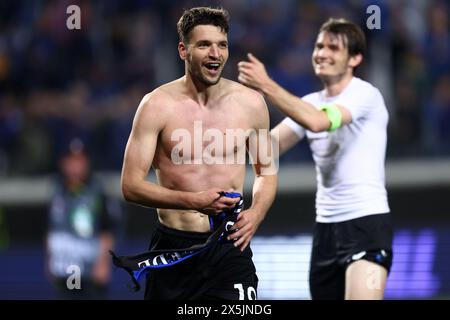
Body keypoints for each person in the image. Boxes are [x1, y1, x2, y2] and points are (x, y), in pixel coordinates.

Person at [113, 7, 277, 300]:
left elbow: (267, 171)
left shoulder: (253, 104)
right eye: (204, 45)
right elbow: (130, 186)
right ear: (183, 50)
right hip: (172, 248)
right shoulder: (155, 106)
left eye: (222, 45)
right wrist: (192, 201)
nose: (215, 53)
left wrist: (256, 213)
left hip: (229, 247)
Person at [238, 18, 392, 300]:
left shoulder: (365, 94)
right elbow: (264, 149)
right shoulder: (309, 102)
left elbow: (319, 122)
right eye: (319, 46)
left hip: (366, 225)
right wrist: (248, 107)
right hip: (325, 232)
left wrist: (268, 86)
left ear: (355, 58)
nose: (322, 53)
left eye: (333, 48)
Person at [46, 138, 121, 299]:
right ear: (63, 163)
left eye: (80, 161)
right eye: (71, 161)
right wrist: (50, 260)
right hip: (64, 268)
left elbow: (108, 230)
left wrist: (103, 264)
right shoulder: (57, 191)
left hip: (89, 272)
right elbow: (52, 229)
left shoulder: (97, 192)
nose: (75, 166)